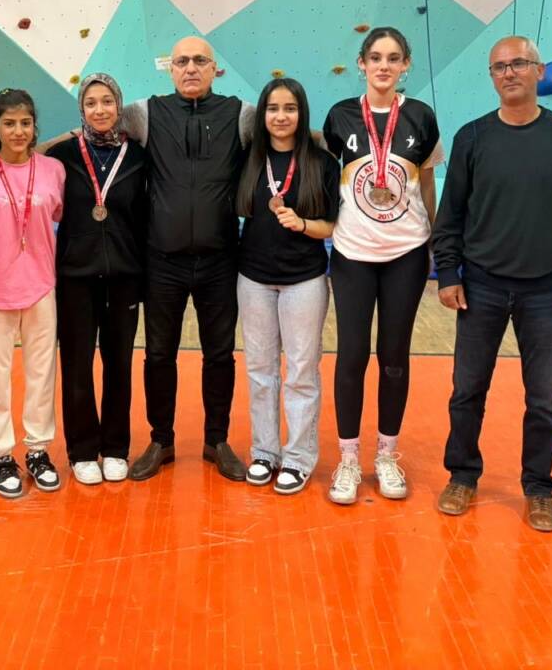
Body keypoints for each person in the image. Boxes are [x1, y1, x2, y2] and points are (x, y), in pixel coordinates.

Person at [432, 35, 552, 532]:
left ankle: (538, 488)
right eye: (499, 67)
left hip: (546, 290)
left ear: (539, 71)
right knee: (467, 391)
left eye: (518, 64)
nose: (508, 73)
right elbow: (451, 214)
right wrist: (448, 273)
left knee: (545, 399)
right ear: (492, 77)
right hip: (480, 286)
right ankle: (462, 476)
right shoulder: (472, 137)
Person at [120, 36, 254, 482]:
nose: (190, 68)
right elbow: (93, 124)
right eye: (181, 61)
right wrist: (37, 151)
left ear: (216, 69)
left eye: (200, 60)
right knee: (159, 354)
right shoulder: (144, 113)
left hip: (221, 260)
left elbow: (290, 132)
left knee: (220, 355)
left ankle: (217, 441)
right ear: (170, 68)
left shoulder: (240, 114)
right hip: (162, 261)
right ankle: (161, 440)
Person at [322, 27, 443, 505]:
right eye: (375, 57)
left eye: (394, 58)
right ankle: (349, 459)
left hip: (406, 254)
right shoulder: (340, 116)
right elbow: (324, 176)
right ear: (361, 63)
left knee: (394, 358)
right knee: (352, 356)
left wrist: (436, 240)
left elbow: (426, 183)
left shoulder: (421, 116)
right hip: (352, 253)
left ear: (406, 64)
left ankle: (387, 456)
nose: (384, 66)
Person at [236, 77, 339, 495]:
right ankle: (264, 452)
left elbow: (330, 225)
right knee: (260, 371)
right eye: (273, 108)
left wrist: (303, 224)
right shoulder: (248, 158)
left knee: (301, 372)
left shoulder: (322, 163)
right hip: (253, 279)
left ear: (302, 113)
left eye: (290, 109)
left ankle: (297, 458)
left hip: (304, 280)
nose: (281, 117)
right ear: (262, 114)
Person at [46, 74, 148, 485]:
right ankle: (83, 450)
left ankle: (116, 448)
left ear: (119, 106)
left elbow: (145, 217)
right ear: (81, 109)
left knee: (119, 365)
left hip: (124, 277)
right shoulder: (62, 155)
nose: (100, 109)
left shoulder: (138, 156)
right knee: (77, 366)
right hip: (75, 277)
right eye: (91, 103)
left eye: (107, 101)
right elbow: (26, 157)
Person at [0, 88, 67, 498]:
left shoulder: (54, 171)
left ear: (34, 126)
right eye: (9, 123)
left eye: (25, 122)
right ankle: (2, 454)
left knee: (42, 372)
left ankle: (38, 449)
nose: (18, 131)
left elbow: (57, 214)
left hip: (42, 283)